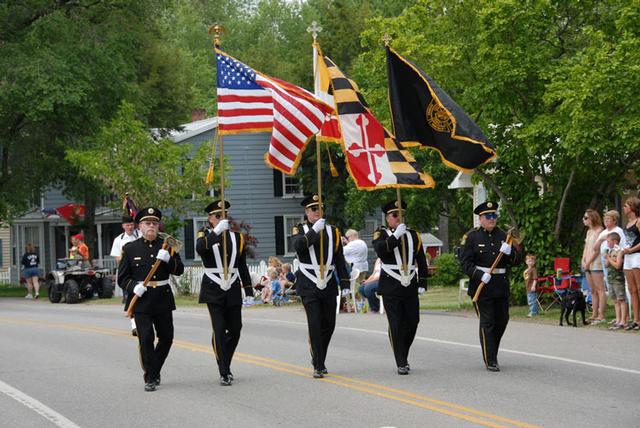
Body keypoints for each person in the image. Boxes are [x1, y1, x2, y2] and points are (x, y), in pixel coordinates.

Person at [118, 207, 184, 392]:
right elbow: (122, 278)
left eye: (154, 223)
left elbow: (179, 270)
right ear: (140, 226)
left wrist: (168, 261)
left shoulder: (167, 246)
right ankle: (151, 376)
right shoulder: (130, 249)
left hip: (162, 298)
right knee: (146, 338)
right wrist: (133, 287)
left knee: (167, 338)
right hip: (142, 301)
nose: (151, 227)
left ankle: (153, 370)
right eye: (147, 223)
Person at [460, 201, 523, 372]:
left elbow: (518, 261)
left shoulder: (504, 236)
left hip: (500, 285)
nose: (491, 219)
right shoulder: (471, 237)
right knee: (487, 321)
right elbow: (465, 263)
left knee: (502, 320)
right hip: (481, 286)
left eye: (494, 215)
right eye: (488, 216)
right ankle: (491, 359)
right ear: (480, 218)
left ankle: (492, 350)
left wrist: (511, 252)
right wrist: (480, 275)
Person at [291, 194, 349, 378]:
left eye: (320, 208)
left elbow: (340, 259)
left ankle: (319, 355)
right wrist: (314, 231)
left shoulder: (334, 231)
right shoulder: (300, 229)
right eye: (313, 209)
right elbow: (299, 246)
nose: (317, 212)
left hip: (329, 281)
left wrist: (345, 282)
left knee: (329, 324)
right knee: (315, 323)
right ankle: (319, 363)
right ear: (307, 212)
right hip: (308, 282)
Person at [196, 200, 253, 386]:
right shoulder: (205, 235)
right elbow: (200, 249)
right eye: (218, 216)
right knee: (219, 330)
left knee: (235, 329)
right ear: (210, 218)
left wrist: (249, 290)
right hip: (213, 287)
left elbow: (242, 266)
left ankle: (224, 360)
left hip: (233, 287)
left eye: (224, 215)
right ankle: (224, 371)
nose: (223, 218)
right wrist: (216, 231)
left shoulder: (238, 238)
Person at [372, 201, 428, 375]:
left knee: (412, 322)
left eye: (401, 214)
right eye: (395, 215)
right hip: (391, 284)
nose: (398, 218)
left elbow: (421, 259)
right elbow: (381, 251)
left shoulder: (413, 235)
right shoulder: (381, 234)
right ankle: (401, 361)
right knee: (395, 323)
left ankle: (403, 352)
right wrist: (396, 237)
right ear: (388, 218)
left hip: (409, 283)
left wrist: (423, 282)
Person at [110, 214, 141, 336]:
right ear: (123, 226)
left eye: (132, 224)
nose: (130, 227)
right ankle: (134, 325)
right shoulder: (119, 240)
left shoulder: (140, 235)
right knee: (131, 298)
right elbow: (118, 258)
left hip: (141, 272)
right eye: (127, 225)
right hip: (128, 273)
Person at [581, 209, 606, 324]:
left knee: (600, 289)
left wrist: (589, 261)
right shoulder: (589, 232)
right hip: (587, 263)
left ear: (592, 218)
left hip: (596, 263)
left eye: (586, 218)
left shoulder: (599, 231)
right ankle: (594, 313)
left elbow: (596, 250)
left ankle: (601, 314)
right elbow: (586, 247)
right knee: (592, 290)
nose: (583, 220)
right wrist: (583, 260)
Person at [622, 197, 640, 330]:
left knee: (639, 288)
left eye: (626, 206)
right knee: (631, 289)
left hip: (636, 256)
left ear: (633, 207)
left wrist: (631, 250)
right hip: (628, 257)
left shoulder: (638, 221)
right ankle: (636, 319)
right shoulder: (627, 223)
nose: (624, 208)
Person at [604, 232, 627, 330]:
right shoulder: (611, 250)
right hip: (610, 278)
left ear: (615, 241)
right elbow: (606, 265)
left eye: (608, 241)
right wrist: (607, 257)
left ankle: (623, 321)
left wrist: (609, 258)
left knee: (621, 299)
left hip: (618, 279)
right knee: (615, 300)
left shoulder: (620, 251)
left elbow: (618, 265)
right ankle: (618, 319)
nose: (607, 243)